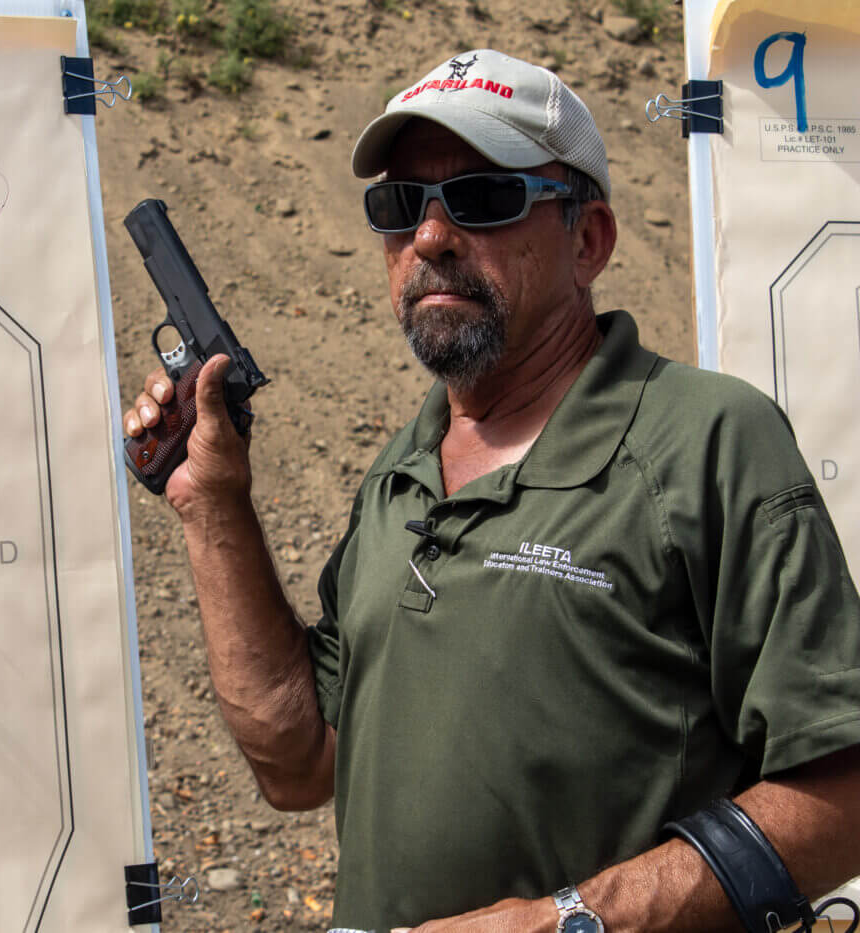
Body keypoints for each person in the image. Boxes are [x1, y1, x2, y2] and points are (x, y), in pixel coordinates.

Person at [122, 49, 860, 930]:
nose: (430, 237)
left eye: (482, 197)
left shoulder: (708, 442)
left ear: (587, 240)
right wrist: (213, 505)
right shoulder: (400, 472)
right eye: (401, 206)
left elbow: (844, 793)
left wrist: (571, 920)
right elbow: (299, 758)